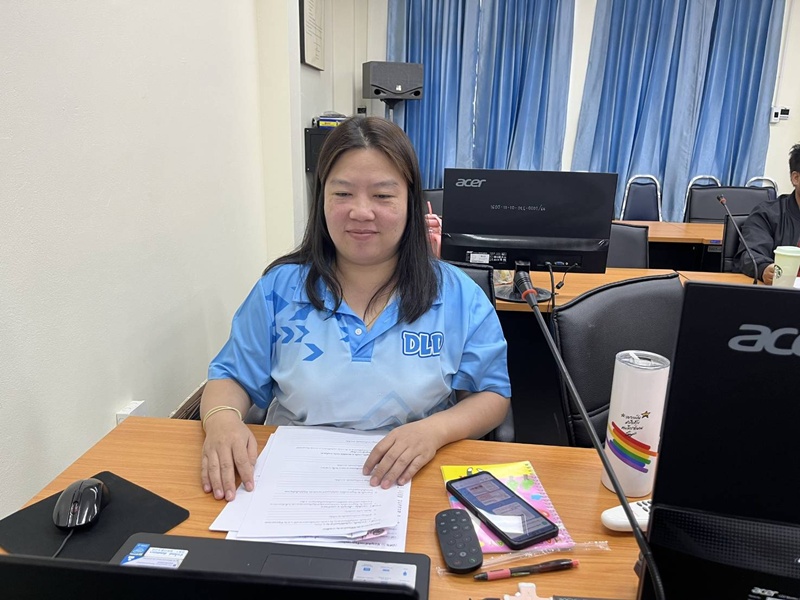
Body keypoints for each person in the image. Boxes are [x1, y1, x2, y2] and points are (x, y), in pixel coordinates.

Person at [200, 116, 512, 502]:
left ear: (410, 202)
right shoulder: (279, 290)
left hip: (412, 479)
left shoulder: (458, 295)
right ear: (322, 199)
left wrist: (435, 431)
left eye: (382, 196)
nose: (361, 212)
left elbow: (491, 395)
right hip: (290, 484)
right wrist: (221, 420)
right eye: (343, 193)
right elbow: (230, 376)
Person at [735, 143, 800, 284]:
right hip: (783, 292)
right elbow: (751, 254)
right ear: (796, 178)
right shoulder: (767, 214)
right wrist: (764, 268)